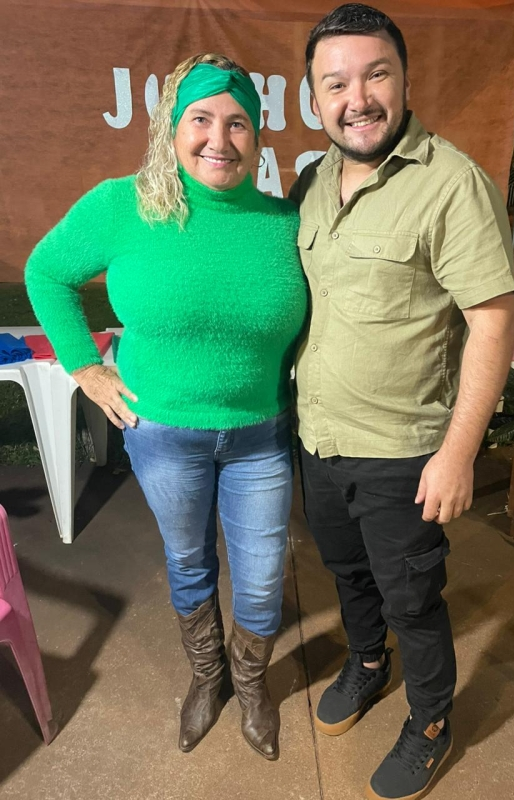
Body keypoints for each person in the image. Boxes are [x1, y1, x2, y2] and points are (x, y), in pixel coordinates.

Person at [25, 53, 308, 761]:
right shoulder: (123, 206)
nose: (220, 138)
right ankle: (208, 679)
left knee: (263, 579)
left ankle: (251, 686)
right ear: (171, 129)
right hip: (163, 436)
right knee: (188, 563)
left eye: (238, 123)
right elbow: (47, 272)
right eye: (201, 119)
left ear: (257, 135)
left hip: (260, 436)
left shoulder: (284, 222)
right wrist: (85, 367)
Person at [290, 5, 514, 799]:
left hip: (402, 455)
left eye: (375, 74)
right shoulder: (311, 183)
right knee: (346, 574)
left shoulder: (452, 184)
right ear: (314, 98)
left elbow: (493, 322)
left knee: (412, 600)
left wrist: (458, 454)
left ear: (405, 80)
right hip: (319, 440)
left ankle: (429, 723)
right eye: (335, 83)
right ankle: (367, 662)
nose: (357, 98)